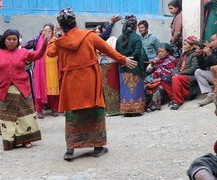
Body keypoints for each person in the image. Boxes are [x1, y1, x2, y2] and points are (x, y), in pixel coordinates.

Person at [46, 8, 137, 160]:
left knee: (73, 113)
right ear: (75, 21)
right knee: (94, 110)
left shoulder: (59, 42)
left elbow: (50, 53)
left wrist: (55, 36)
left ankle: (70, 150)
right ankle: (97, 147)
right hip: (89, 79)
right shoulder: (89, 36)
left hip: (70, 81)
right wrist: (123, 59)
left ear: (61, 25)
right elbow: (107, 49)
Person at [0, 29, 47, 151]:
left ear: (18, 41)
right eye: (9, 39)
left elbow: (38, 55)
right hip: (5, 90)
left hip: (22, 89)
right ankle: (10, 142)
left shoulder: (24, 52)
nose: (11, 42)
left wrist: (45, 43)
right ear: (4, 41)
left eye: (14, 39)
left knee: (24, 116)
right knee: (8, 117)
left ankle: (26, 140)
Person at [22, 23, 57, 119]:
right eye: (44, 30)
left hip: (53, 68)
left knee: (53, 88)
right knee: (39, 88)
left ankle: (54, 108)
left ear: (52, 31)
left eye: (49, 31)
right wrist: (32, 55)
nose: (46, 33)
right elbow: (24, 47)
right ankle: (39, 110)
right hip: (39, 69)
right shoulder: (37, 40)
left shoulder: (55, 40)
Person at [116, 15, 146, 116]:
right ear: (135, 26)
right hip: (134, 67)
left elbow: (116, 53)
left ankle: (126, 111)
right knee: (135, 88)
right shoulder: (137, 37)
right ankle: (136, 110)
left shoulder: (119, 38)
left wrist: (123, 60)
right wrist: (130, 59)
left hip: (122, 67)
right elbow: (137, 52)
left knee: (125, 89)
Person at [161, 36, 200, 110]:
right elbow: (178, 66)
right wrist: (175, 72)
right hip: (180, 75)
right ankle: (173, 98)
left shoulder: (195, 54)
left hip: (190, 76)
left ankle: (178, 101)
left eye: (185, 44)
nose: (184, 46)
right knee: (164, 79)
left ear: (192, 46)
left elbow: (193, 68)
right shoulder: (183, 54)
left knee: (176, 78)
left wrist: (179, 74)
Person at [144, 43, 178, 112]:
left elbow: (170, 75)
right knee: (144, 85)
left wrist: (157, 80)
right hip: (155, 78)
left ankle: (153, 106)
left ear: (168, 52)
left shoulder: (172, 60)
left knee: (158, 89)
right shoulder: (156, 59)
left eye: (162, 52)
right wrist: (152, 65)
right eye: (158, 52)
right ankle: (143, 105)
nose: (159, 53)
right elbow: (148, 71)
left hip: (164, 81)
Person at [195, 32, 217, 107]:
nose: (211, 43)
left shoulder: (211, 52)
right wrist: (199, 56)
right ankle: (210, 94)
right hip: (215, 77)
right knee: (198, 72)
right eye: (210, 41)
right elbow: (203, 67)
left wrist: (210, 54)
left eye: (213, 40)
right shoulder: (213, 50)